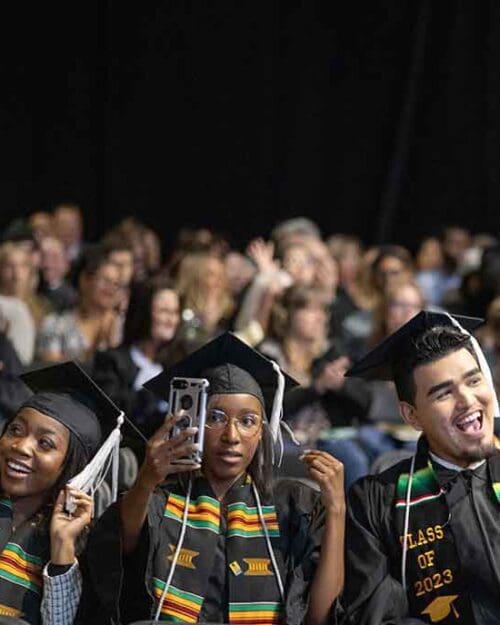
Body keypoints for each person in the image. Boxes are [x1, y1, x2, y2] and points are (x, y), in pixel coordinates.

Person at [79, 332, 345, 625]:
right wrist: (146, 479)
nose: (232, 436)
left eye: (247, 421)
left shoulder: (293, 507)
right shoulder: (161, 500)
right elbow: (119, 549)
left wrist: (336, 511)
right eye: (216, 417)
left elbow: (320, 615)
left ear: (261, 432)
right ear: (193, 423)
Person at [340, 310, 500, 625]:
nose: (467, 399)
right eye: (443, 393)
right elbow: (374, 615)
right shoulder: (378, 502)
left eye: (473, 380)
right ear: (411, 416)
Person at [0, 361, 124, 625]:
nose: (21, 446)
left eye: (45, 443)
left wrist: (62, 545)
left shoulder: (81, 544)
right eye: (15, 430)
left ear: (72, 467)